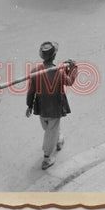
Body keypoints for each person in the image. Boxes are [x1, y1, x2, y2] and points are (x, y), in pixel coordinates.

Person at [25, 41, 77, 170]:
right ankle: (47, 158)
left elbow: (31, 91)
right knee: (50, 131)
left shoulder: (35, 71)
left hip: (42, 107)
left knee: (49, 128)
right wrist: (74, 68)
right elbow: (70, 82)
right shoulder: (58, 72)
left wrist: (29, 105)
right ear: (54, 56)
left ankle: (58, 140)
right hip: (54, 107)